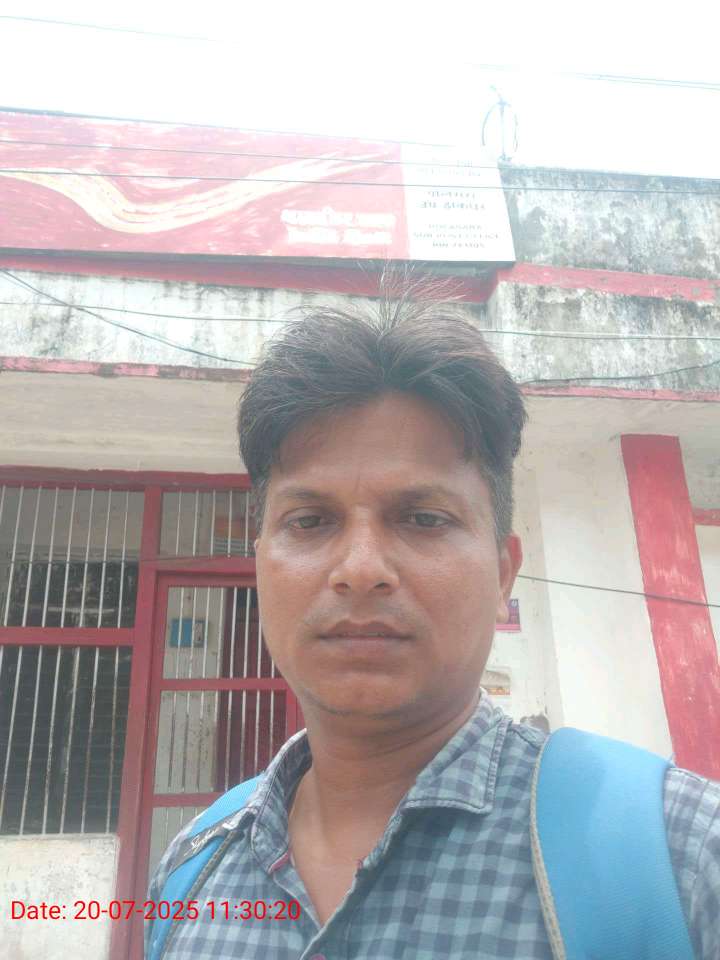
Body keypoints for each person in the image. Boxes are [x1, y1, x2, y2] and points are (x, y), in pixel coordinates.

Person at [146, 276, 720, 959]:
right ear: (261, 563)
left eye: (422, 518)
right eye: (310, 520)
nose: (361, 568)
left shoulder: (683, 857)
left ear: (503, 572)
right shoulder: (193, 868)